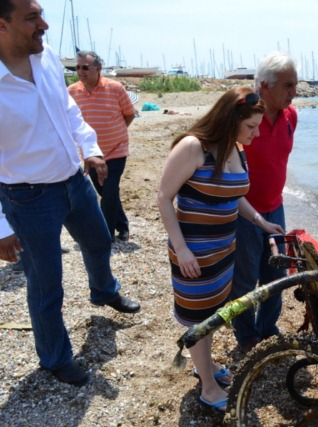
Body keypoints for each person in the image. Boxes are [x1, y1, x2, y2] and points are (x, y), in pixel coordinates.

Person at [0, 0, 141, 388]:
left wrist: (91, 148)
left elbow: (68, 109)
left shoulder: (44, 58)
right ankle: (55, 358)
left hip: (73, 181)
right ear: (2, 24)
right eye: (32, 18)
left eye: (42, 14)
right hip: (26, 198)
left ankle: (103, 292)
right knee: (46, 284)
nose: (44, 25)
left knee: (99, 241)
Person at [156, 87, 284, 412]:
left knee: (212, 314)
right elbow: (163, 197)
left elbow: (233, 195)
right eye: (252, 127)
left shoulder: (235, 149)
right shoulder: (193, 147)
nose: (257, 133)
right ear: (231, 120)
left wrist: (260, 221)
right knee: (198, 318)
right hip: (194, 254)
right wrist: (181, 248)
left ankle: (205, 366)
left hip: (224, 252)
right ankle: (208, 388)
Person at [228, 52, 298, 353]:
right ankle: (247, 336)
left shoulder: (291, 116)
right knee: (243, 281)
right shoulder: (241, 115)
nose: (294, 92)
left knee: (275, 276)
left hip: (275, 207)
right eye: (288, 85)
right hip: (242, 211)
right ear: (265, 87)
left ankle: (267, 329)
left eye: (296, 85)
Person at [68, 50, 135, 243]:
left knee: (110, 191)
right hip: (91, 155)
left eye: (85, 67)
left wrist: (118, 132)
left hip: (116, 150)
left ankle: (105, 234)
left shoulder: (115, 88)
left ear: (98, 69)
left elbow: (129, 114)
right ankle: (122, 226)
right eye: (77, 67)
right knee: (106, 192)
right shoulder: (71, 91)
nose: (81, 71)